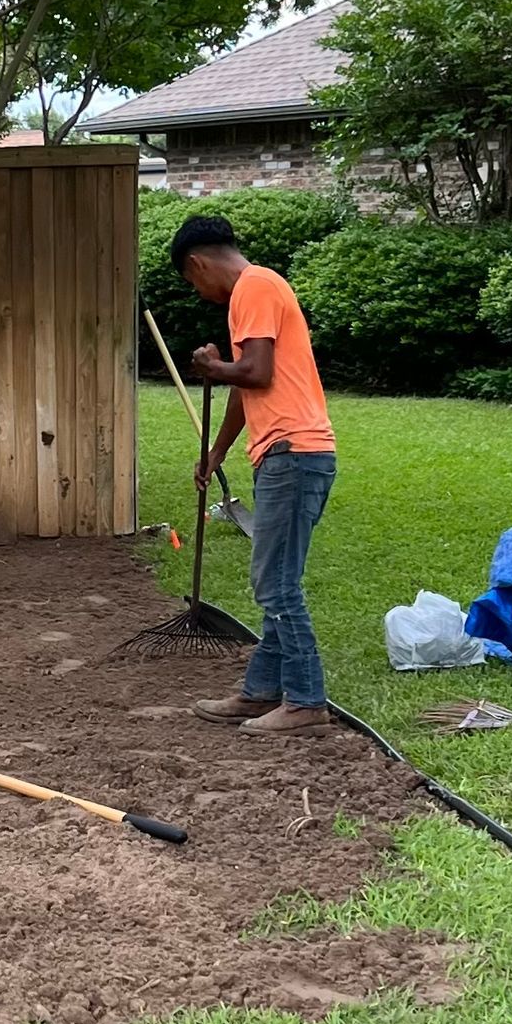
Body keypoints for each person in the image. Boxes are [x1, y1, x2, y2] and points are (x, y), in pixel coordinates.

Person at [169, 213, 337, 734]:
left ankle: (307, 701)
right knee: (275, 580)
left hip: (294, 452)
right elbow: (248, 390)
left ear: (197, 263)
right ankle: (260, 692)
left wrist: (210, 366)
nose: (199, 292)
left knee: (277, 585)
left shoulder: (254, 286)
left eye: (192, 281)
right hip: (284, 452)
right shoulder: (255, 292)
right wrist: (217, 451)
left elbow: (253, 372)